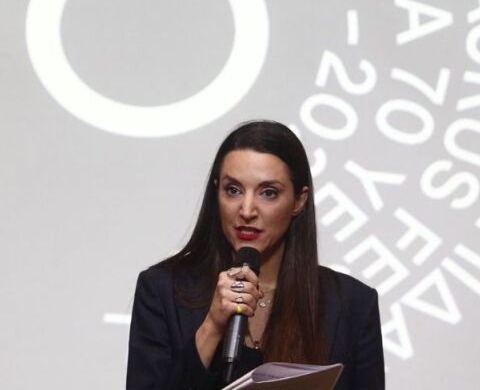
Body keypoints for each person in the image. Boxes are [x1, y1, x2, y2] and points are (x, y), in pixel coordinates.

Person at [126, 120, 385, 389]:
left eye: (268, 193)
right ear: (216, 191)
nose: (247, 210)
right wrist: (212, 326)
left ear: (299, 200)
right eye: (233, 190)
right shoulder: (162, 289)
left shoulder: (352, 304)